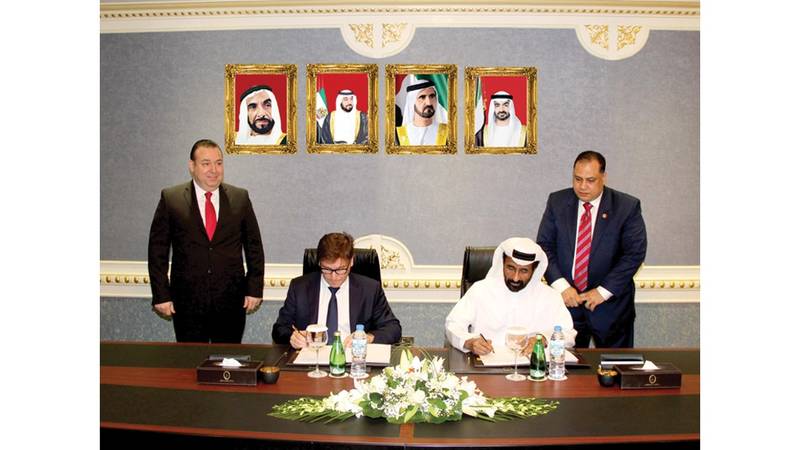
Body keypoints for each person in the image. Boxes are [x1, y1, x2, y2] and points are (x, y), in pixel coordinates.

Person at [148, 139, 265, 343]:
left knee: (228, 360)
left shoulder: (240, 198)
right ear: (191, 166)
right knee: (190, 360)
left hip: (231, 301)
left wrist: (254, 289)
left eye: (219, 163)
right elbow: (157, 252)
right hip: (187, 303)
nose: (214, 170)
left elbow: (254, 248)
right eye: (206, 163)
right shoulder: (171, 199)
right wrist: (161, 295)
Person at [536, 151, 647, 348]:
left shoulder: (626, 207)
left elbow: (633, 254)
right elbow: (545, 246)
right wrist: (562, 287)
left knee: (615, 365)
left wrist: (603, 292)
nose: (582, 186)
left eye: (590, 180)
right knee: (566, 363)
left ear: (604, 177)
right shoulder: (557, 201)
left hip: (610, 308)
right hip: (567, 305)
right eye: (577, 179)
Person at [445, 237, 576, 355]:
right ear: (502, 263)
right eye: (510, 268)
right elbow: (453, 325)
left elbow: (568, 334)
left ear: (534, 270)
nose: (515, 278)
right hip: (487, 365)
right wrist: (469, 342)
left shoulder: (550, 297)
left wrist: (544, 339)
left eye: (524, 271)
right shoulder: (480, 290)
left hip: (532, 368)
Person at [272, 232, 401, 348]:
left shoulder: (370, 289)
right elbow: (279, 328)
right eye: (327, 269)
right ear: (319, 263)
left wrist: (368, 338)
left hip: (354, 358)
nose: (333, 277)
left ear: (351, 262)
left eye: (340, 270)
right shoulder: (299, 287)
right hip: (312, 357)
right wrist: (292, 337)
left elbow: (393, 328)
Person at [395, 76, 448, 146]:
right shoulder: (398, 135)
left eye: (432, 96)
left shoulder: (448, 132)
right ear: (412, 102)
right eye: (422, 97)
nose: (429, 103)